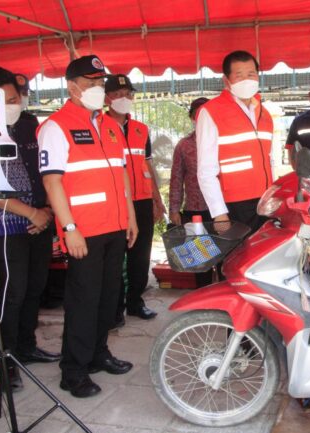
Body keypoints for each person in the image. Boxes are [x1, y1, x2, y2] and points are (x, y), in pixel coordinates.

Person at [38, 55, 138, 398]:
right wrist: (68, 229)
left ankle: (98, 354)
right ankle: (74, 370)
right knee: (83, 301)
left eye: (100, 83)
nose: (97, 89)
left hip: (114, 227)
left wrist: (131, 216)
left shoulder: (109, 124)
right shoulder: (56, 126)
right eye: (91, 83)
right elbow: (52, 184)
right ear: (71, 86)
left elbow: (122, 174)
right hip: (82, 231)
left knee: (108, 298)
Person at [0, 67, 59, 392]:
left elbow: (46, 169)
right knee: (13, 292)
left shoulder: (30, 126)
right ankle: (6, 358)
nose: (13, 104)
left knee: (35, 287)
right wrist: (30, 212)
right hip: (7, 225)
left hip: (41, 218)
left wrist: (47, 211)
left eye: (15, 98)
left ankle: (26, 346)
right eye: (5, 100)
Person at [105, 74, 165, 324]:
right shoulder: (99, 127)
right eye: (118, 95)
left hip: (141, 199)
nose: (124, 99)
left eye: (128, 94)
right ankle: (114, 308)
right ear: (107, 98)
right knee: (115, 257)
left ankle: (135, 302)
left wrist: (157, 199)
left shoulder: (141, 129)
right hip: (115, 202)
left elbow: (148, 165)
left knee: (141, 255)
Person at [196, 50, 273, 232]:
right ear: (226, 80)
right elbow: (206, 170)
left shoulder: (264, 113)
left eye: (251, 74)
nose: (246, 80)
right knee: (239, 258)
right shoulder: (210, 112)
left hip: (266, 203)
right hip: (233, 206)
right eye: (239, 76)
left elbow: (270, 160)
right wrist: (219, 214)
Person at [169, 97, 214, 287]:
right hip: (195, 211)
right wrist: (174, 209)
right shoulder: (184, 145)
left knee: (224, 257)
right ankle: (203, 296)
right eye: (198, 114)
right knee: (200, 260)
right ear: (192, 117)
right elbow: (177, 179)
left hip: (221, 211)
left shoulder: (221, 141)